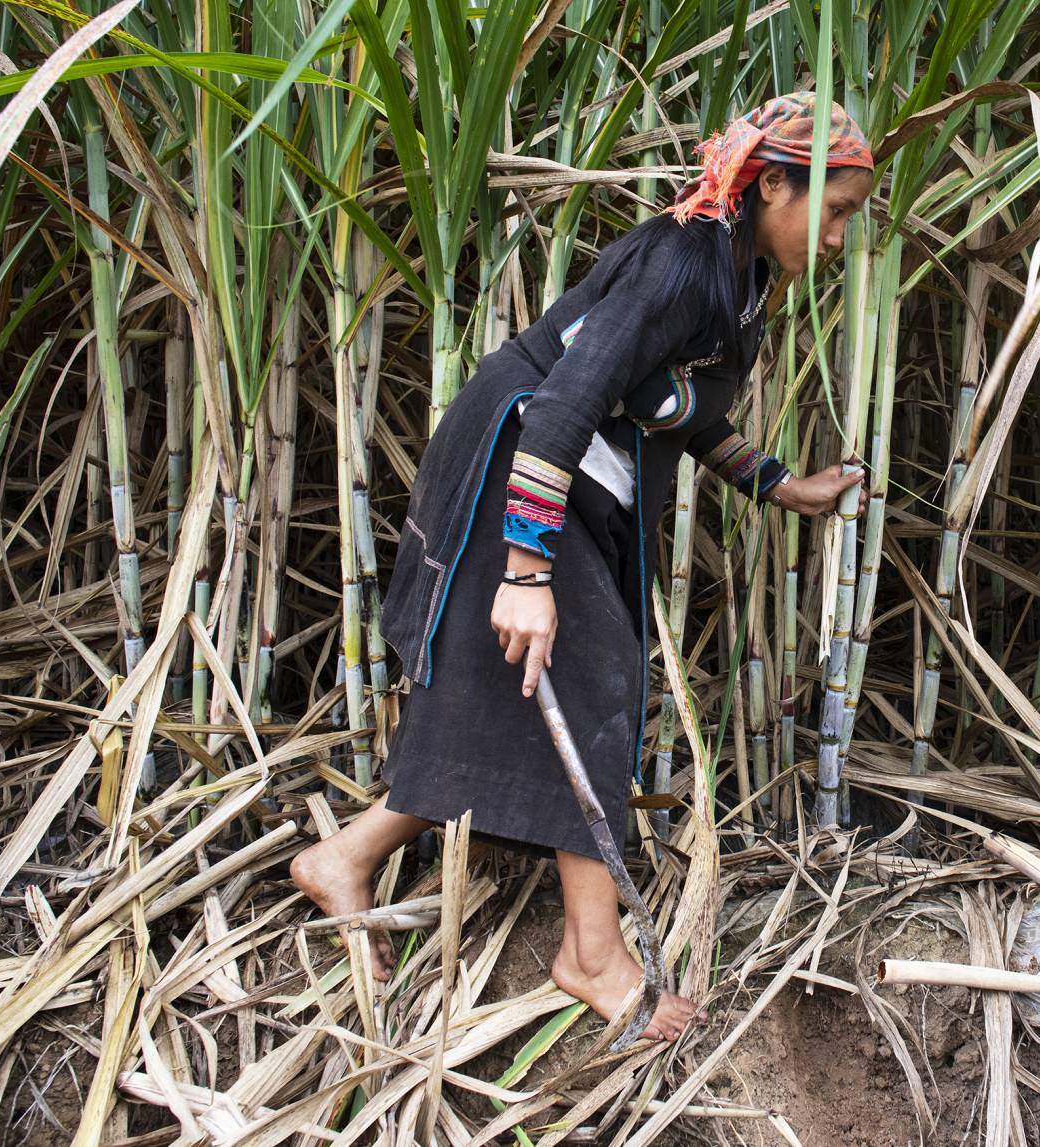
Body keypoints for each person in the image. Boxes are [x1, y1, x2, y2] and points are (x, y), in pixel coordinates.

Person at [291, 92, 876, 1042]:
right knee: (595, 677)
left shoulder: (741, 275)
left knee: (507, 689)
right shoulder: (684, 260)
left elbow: (672, 409)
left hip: (568, 474)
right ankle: (592, 957)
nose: (842, 239)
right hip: (522, 458)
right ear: (773, 183)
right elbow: (568, 399)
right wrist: (525, 568)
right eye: (838, 211)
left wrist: (779, 485)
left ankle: (342, 860)